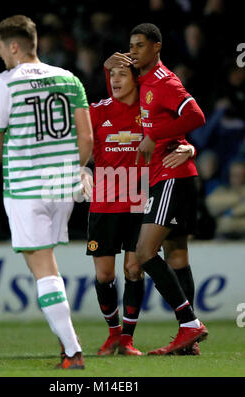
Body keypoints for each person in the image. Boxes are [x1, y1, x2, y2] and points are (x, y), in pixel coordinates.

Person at [0, 15, 93, 369]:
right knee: (45, 262)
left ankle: (72, 351)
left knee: (42, 267)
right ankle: (67, 343)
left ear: (14, 46)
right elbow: (86, 137)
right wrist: (74, 169)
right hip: (62, 185)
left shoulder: (6, 82)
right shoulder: (69, 78)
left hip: (27, 186)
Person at [104, 23, 208, 355]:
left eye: (140, 45)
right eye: (130, 45)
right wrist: (110, 61)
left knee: (145, 252)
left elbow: (196, 115)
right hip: (173, 175)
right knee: (176, 255)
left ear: (157, 47)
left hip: (171, 177)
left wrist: (157, 137)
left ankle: (190, 324)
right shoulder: (142, 80)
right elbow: (112, 73)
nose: (133, 51)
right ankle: (188, 340)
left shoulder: (164, 82)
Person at [86, 63, 197, 356]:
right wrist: (80, 170)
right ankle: (112, 334)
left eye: (123, 74)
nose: (116, 80)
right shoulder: (97, 111)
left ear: (136, 80)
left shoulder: (147, 114)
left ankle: (126, 338)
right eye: (112, 75)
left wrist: (190, 149)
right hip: (105, 202)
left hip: (139, 200)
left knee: (134, 269)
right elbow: (80, 148)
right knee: (105, 276)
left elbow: (178, 140)